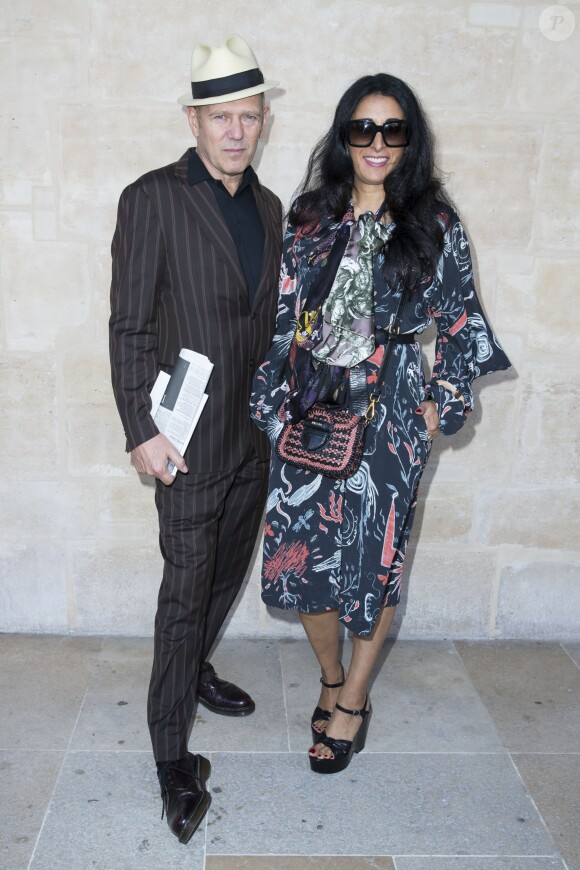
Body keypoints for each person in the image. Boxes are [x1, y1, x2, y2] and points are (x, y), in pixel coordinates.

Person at [250, 73, 511, 775]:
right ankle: (332, 678)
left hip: (390, 413)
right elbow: (281, 318)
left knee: (375, 563)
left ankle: (354, 701)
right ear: (343, 136)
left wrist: (442, 403)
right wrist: (270, 404)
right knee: (298, 566)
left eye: (392, 129)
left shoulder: (435, 225)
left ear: (409, 140)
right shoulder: (307, 217)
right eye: (363, 128)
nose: (376, 142)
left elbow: (463, 325)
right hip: (308, 408)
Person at [109, 35, 282, 841]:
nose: (237, 131)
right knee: (184, 595)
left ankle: (198, 668)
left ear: (262, 121)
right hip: (184, 442)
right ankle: (172, 754)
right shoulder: (152, 198)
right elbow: (131, 325)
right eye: (222, 117)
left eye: (250, 116)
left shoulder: (271, 208)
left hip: (254, 437)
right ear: (195, 119)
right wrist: (141, 429)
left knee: (227, 568)